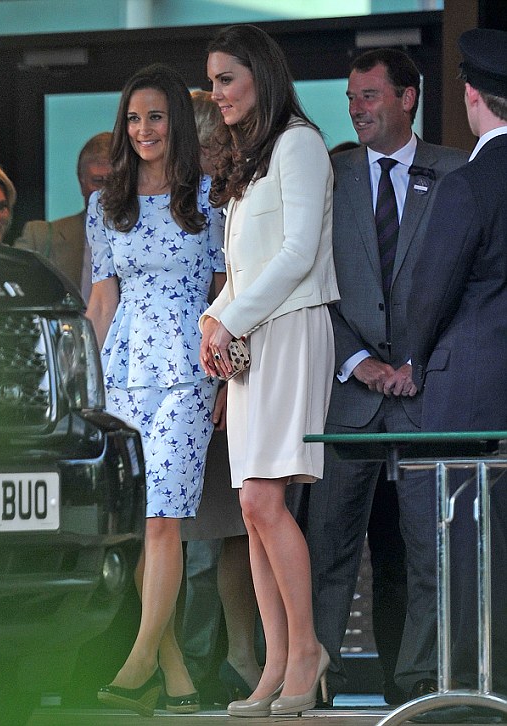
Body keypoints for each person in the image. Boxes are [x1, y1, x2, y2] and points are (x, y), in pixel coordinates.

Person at [304, 47, 468, 708]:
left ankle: (423, 684)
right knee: (327, 551)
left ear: (409, 98)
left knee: (432, 549)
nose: (356, 109)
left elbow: (474, 285)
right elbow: (311, 288)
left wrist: (416, 362)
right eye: (351, 97)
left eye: (369, 95)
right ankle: (314, 676)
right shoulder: (327, 176)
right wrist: (358, 362)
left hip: (428, 394)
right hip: (348, 396)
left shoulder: (459, 174)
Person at [200, 24, 339, 718]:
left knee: (261, 502)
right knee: (255, 514)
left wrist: (230, 317)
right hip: (254, 331)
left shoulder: (301, 143)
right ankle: (278, 661)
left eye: (226, 77)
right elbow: (248, 267)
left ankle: (307, 650)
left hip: (291, 329)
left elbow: (296, 253)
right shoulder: (249, 156)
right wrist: (212, 318)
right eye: (213, 80)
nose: (216, 92)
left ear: (259, 73)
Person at [85, 63, 225, 717]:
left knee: (165, 518)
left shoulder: (211, 196)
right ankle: (176, 675)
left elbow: (229, 292)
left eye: (157, 116)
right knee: (143, 526)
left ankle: (137, 662)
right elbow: (101, 302)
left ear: (177, 122)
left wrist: (230, 376)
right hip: (121, 374)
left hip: (189, 370)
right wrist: (85, 391)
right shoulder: (104, 203)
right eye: (134, 118)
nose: (144, 129)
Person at [408, 27, 507, 724]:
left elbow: (426, 294)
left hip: (471, 394)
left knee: (465, 548)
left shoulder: (470, 183)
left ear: (472, 96)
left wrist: (410, 358)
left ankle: (471, 693)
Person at [181, 89, 261, 703]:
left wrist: (228, 380)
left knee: (236, 525)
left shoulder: (229, 201)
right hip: (174, 378)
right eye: (207, 143)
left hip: (226, 376)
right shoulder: (173, 204)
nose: (215, 153)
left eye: (215, 142)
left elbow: (236, 295)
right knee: (174, 531)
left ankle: (237, 653)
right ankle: (181, 663)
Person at [15, 132, 112, 298]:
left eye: (116, 182)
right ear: (82, 182)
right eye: (98, 181)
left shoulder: (153, 239)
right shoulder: (41, 238)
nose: (106, 192)